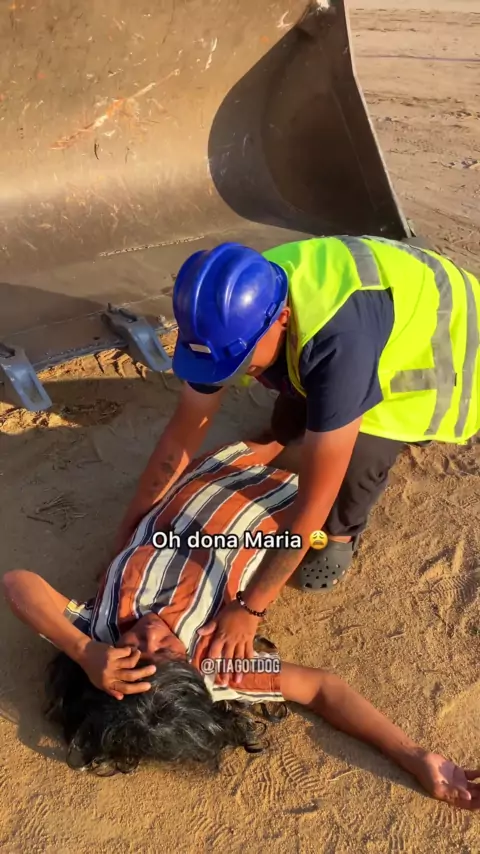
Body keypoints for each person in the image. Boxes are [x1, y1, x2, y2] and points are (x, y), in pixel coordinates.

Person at [3, 440, 480, 807]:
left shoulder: (98, 640)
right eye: (165, 651)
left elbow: (17, 583)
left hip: (205, 476)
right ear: (193, 671)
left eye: (133, 649)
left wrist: (83, 650)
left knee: (285, 425)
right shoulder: (218, 669)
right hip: (282, 503)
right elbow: (322, 690)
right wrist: (413, 756)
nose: (148, 634)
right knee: (351, 442)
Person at [112, 235, 480, 670]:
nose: (232, 374)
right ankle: (303, 410)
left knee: (353, 457)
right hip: (368, 312)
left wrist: (250, 608)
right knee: (292, 422)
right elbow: (180, 438)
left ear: (283, 319)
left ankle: (342, 536)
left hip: (442, 340)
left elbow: (314, 498)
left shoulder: (338, 345)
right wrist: (129, 534)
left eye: (241, 361)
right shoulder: (229, 308)